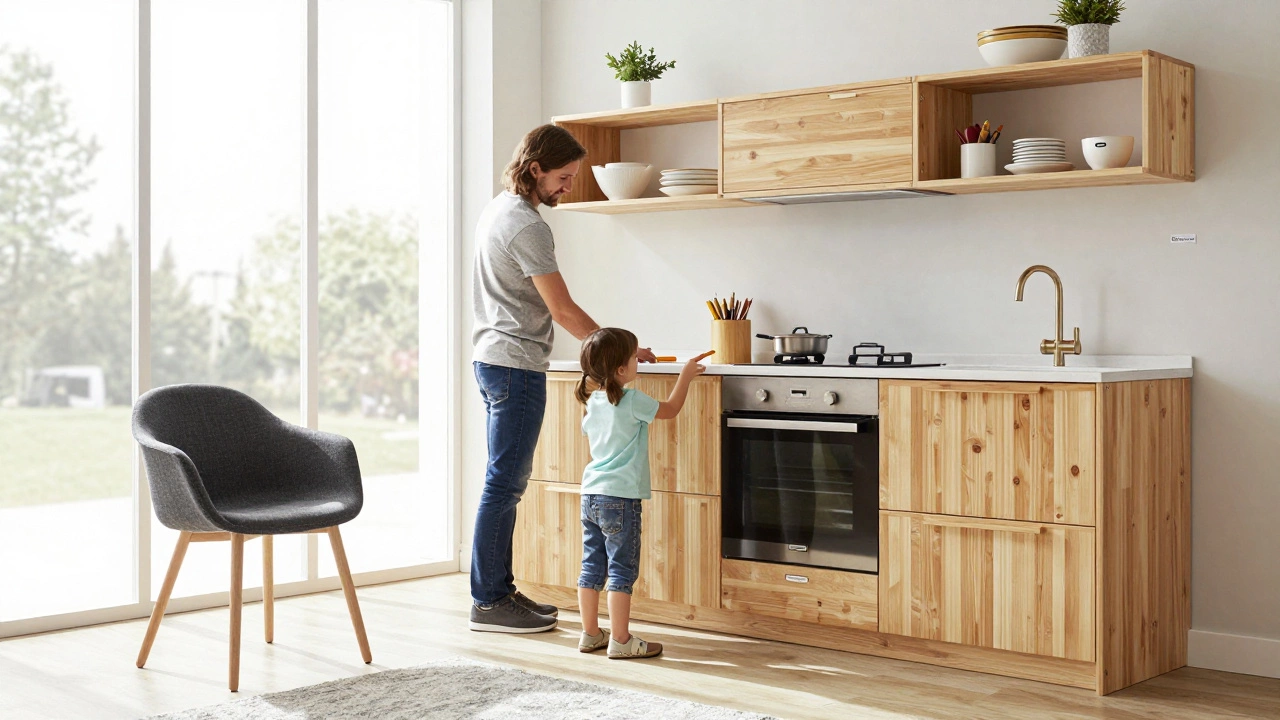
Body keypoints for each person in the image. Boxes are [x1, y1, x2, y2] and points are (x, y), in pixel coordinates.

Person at [470, 125, 656, 634]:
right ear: (535, 169)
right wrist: (619, 348)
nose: (568, 187)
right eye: (563, 177)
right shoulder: (527, 225)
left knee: (502, 483)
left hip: (492, 359)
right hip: (515, 364)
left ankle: (498, 593)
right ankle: (488, 602)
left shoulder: (497, 209)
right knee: (504, 485)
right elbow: (562, 309)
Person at [573, 328, 711, 659]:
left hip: (591, 494)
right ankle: (621, 640)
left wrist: (633, 356)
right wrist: (686, 375)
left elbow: (603, 408)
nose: (639, 360)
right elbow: (671, 408)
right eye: (635, 357)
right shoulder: (632, 400)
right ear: (622, 369)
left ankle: (591, 634)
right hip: (620, 499)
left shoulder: (592, 401)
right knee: (621, 571)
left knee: (592, 567)